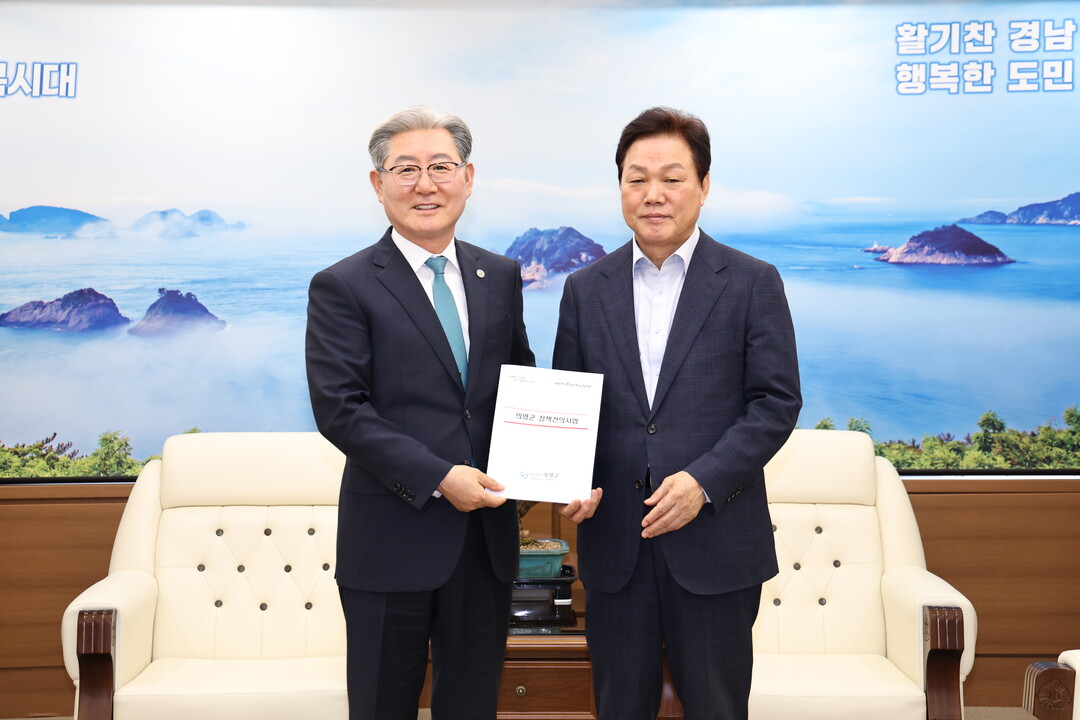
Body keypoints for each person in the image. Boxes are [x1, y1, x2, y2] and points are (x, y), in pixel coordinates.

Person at [553, 106, 802, 720]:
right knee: (618, 707)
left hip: (716, 544)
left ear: (704, 185)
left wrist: (702, 482)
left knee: (718, 707)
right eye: (636, 179)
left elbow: (776, 403)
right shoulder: (584, 289)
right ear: (620, 188)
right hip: (615, 548)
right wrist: (568, 480)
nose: (653, 194)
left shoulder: (752, 281)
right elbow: (569, 407)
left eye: (671, 178)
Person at [305, 105, 535, 720]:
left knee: (472, 708)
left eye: (441, 167)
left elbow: (520, 387)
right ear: (378, 183)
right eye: (406, 169)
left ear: (468, 177)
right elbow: (340, 409)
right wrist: (439, 476)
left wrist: (553, 470)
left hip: (484, 544)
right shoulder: (343, 284)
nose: (425, 184)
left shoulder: (499, 274)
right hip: (389, 542)